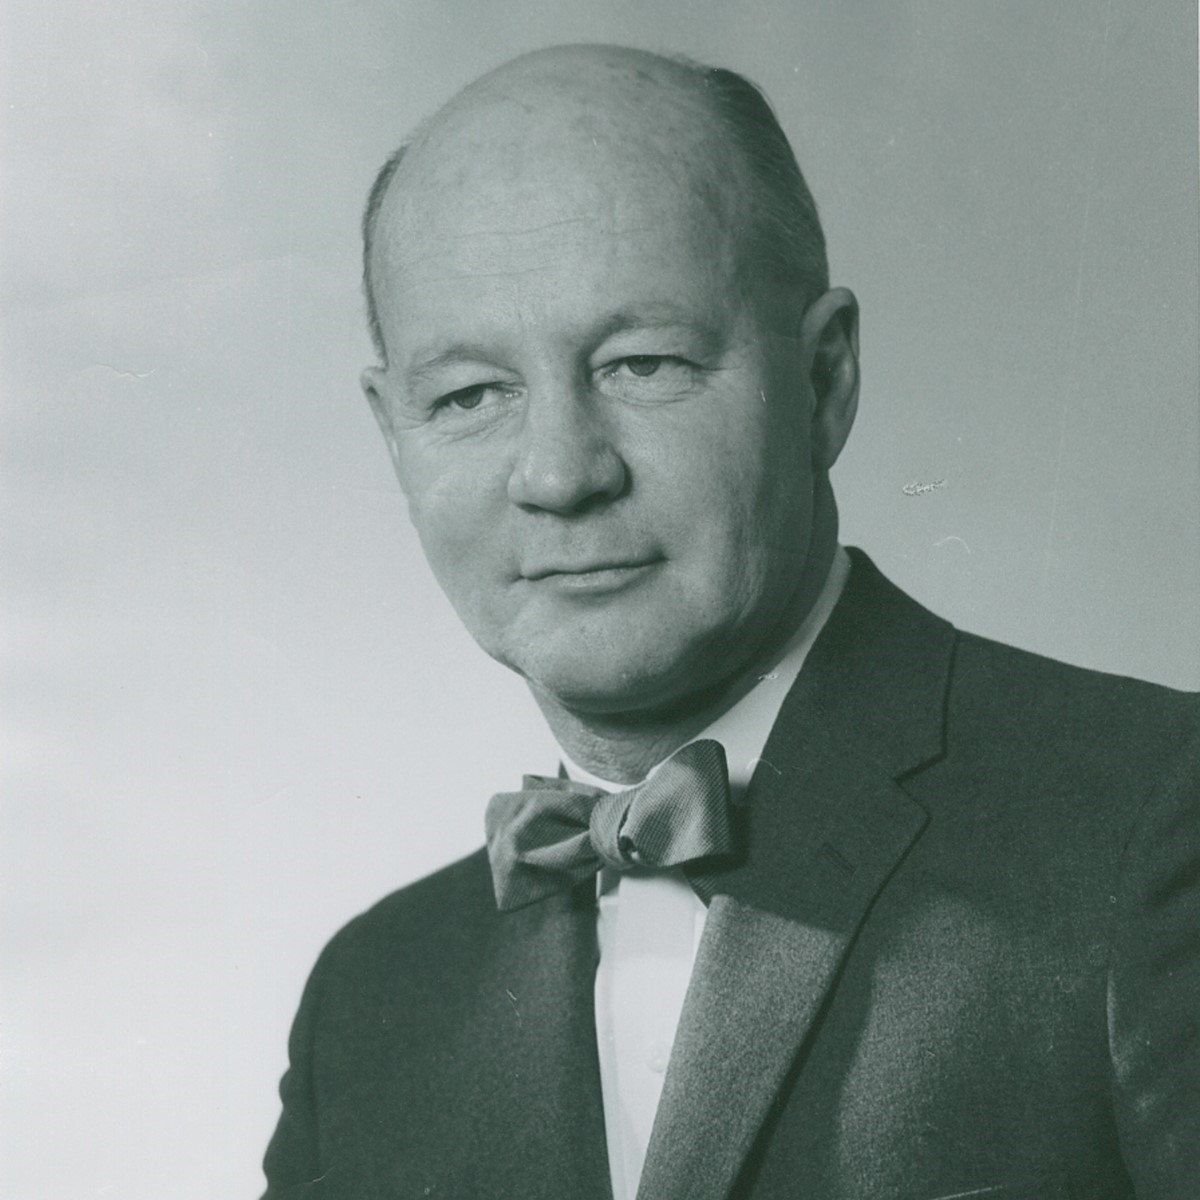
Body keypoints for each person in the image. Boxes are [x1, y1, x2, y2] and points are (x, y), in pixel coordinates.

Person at [261, 44, 1198, 1200]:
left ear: (825, 379)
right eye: (467, 396)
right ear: (391, 432)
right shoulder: (370, 1002)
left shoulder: (1158, 822)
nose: (559, 473)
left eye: (642, 362)